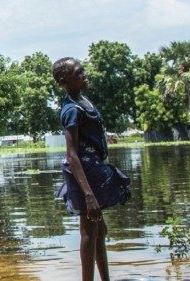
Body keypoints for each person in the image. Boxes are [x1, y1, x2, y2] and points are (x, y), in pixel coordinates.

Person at [52, 57, 129, 281]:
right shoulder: (71, 110)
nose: (84, 74)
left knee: (99, 231)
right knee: (89, 232)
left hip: (93, 170)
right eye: (78, 73)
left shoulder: (84, 101)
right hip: (83, 174)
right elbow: (72, 155)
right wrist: (89, 195)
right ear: (64, 80)